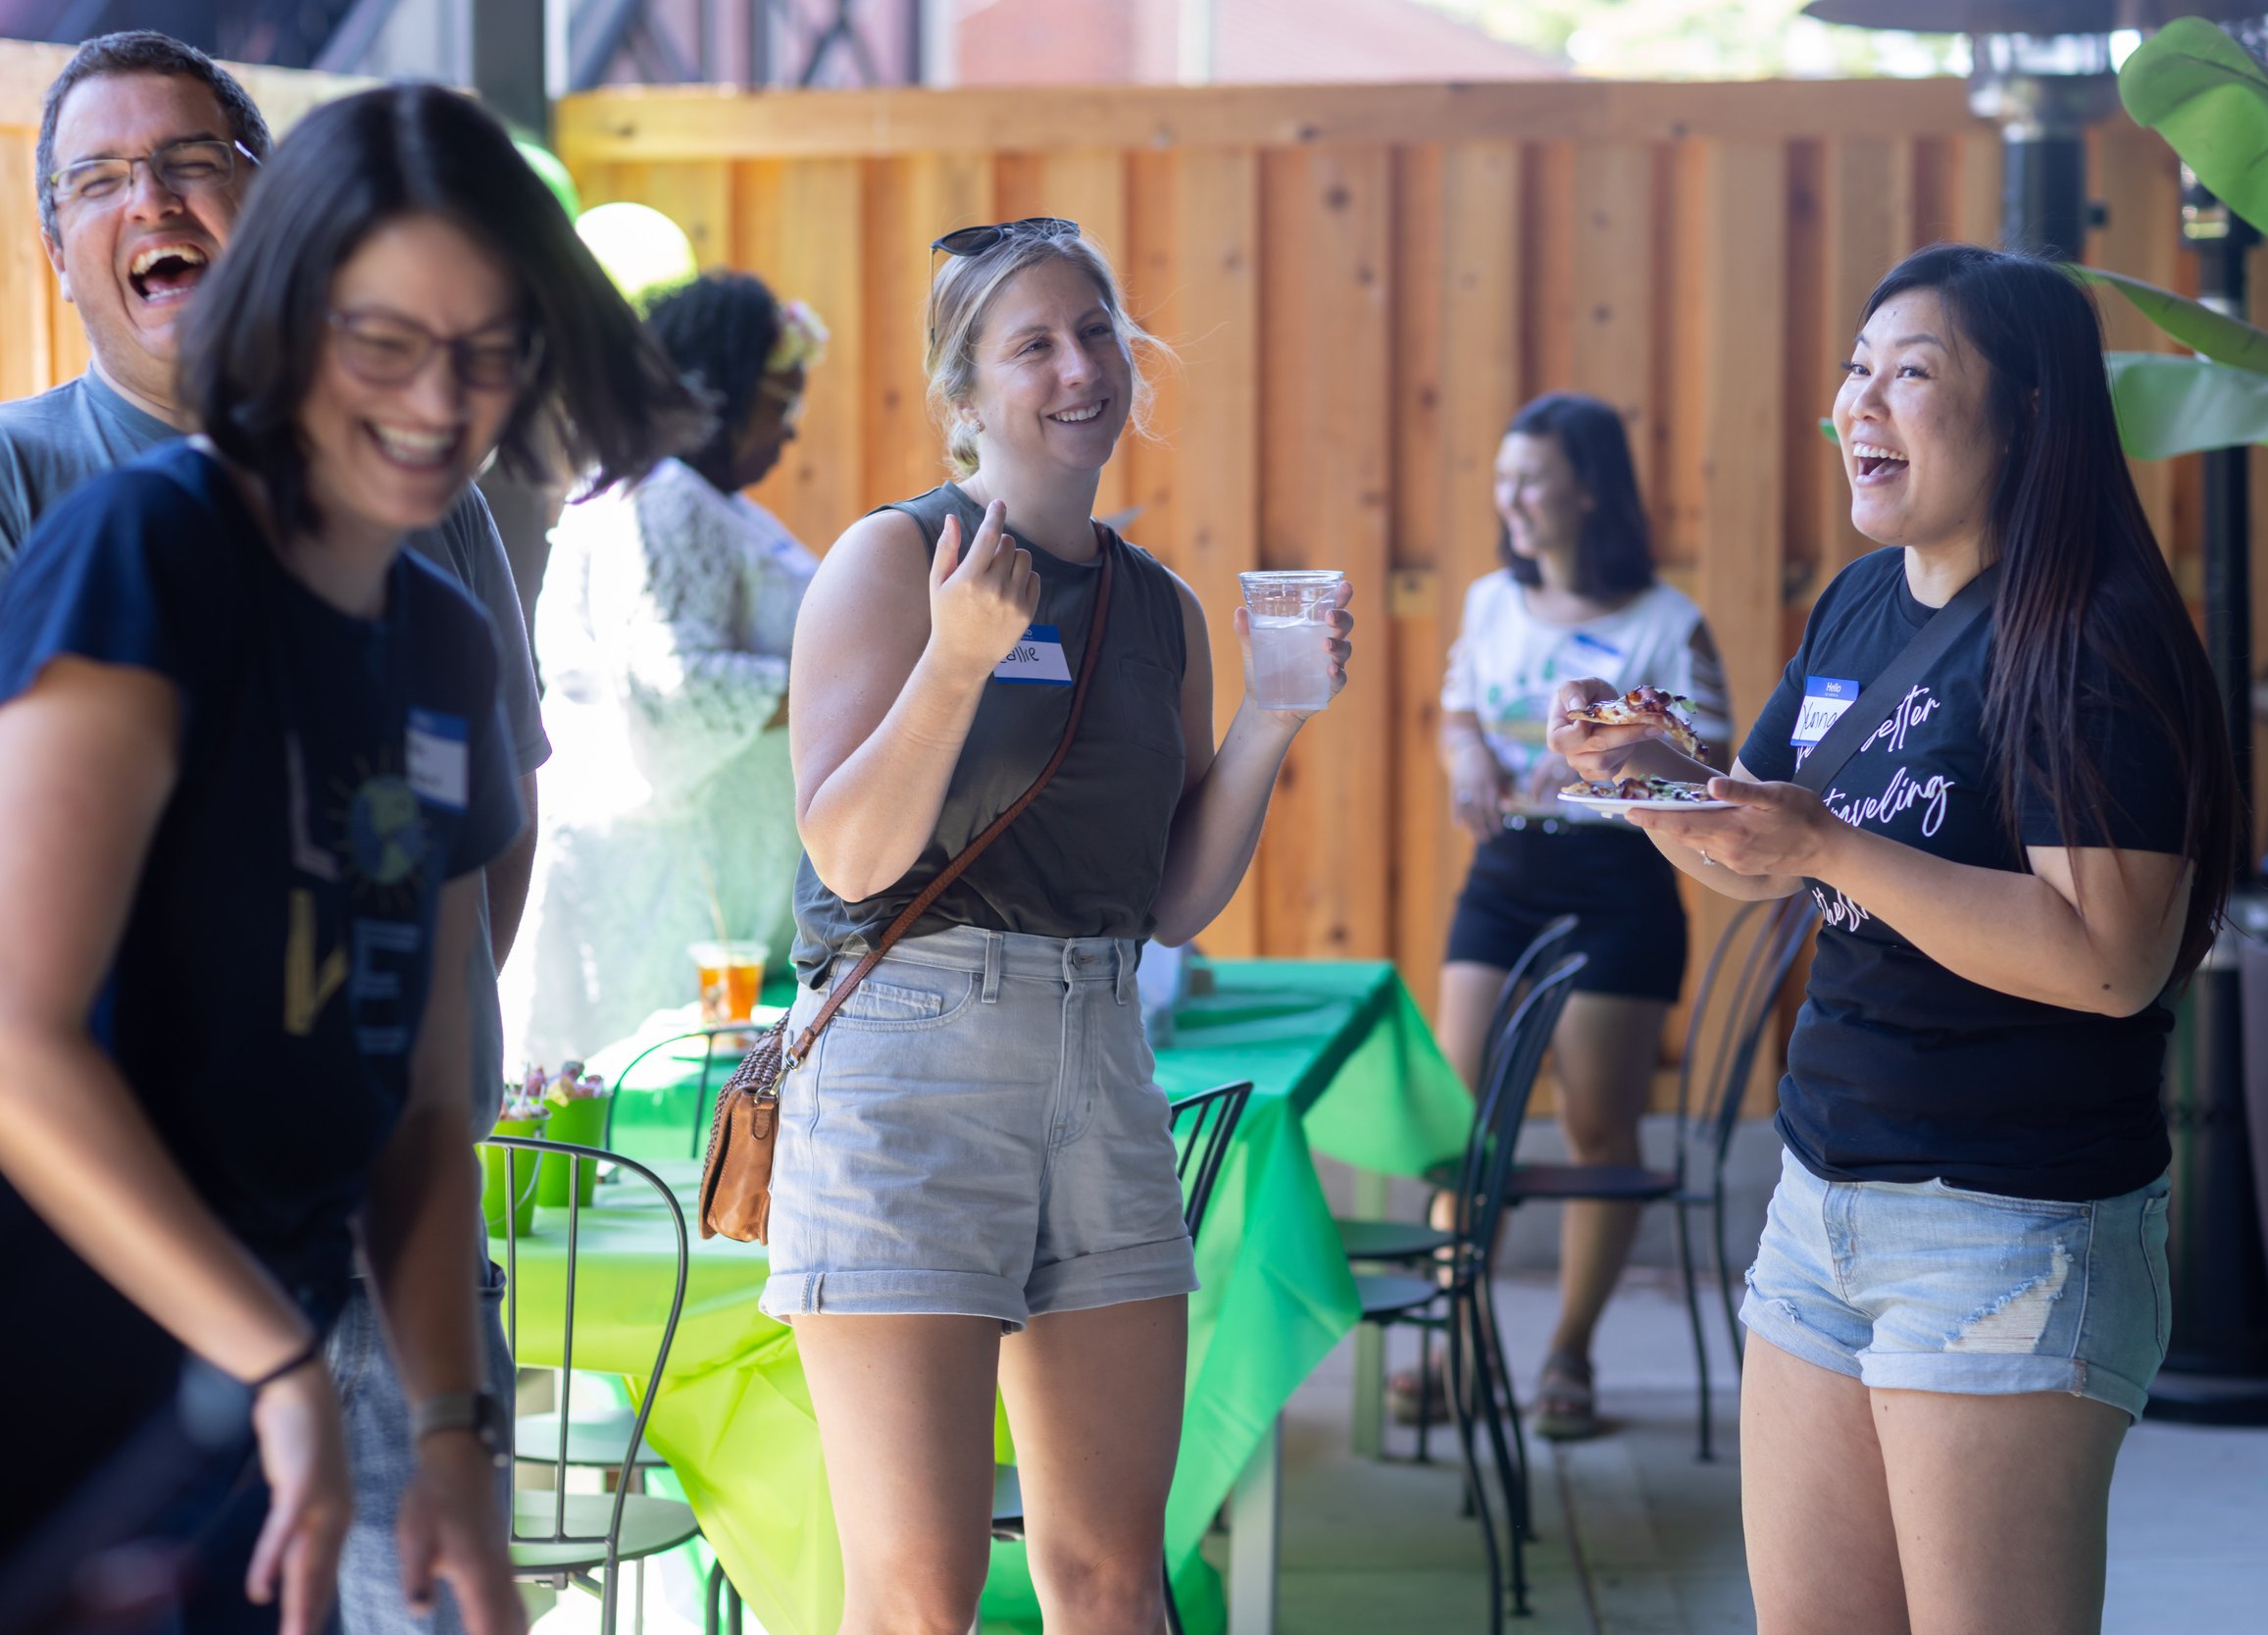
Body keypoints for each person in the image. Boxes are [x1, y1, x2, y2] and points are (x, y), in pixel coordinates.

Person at [0, 80, 698, 1635]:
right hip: (86, 1362)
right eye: (386, 342)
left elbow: (428, 1093)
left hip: (309, 1340)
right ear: (291, 316)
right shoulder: (146, 554)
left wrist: (446, 1426)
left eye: (488, 350)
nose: (438, 403)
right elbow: (16, 1041)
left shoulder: (443, 638)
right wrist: (274, 1357)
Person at [1552, 243, 2234, 1635]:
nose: (1863, 402)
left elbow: (2110, 960)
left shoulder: (2089, 635)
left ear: (2030, 416)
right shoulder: (1864, 601)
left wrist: (1822, 843)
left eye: (1912, 372)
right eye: (1856, 371)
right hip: (1821, 1200)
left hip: (2012, 1224)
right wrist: (1656, 785)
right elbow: (1769, 851)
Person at [778, 217, 1353, 1635]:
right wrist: (959, 659)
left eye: (1096, 331)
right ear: (964, 390)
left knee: (1110, 1575)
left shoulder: (1154, 606)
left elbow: (1166, 900)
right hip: (908, 1059)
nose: (1078, 366)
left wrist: (1273, 722)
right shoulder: (888, 557)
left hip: (1099, 1055)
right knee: (920, 1590)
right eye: (1031, 342)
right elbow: (849, 848)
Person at [1426, 390, 1728, 1441]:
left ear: (1587, 490)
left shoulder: (1665, 622)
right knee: (1452, 1119)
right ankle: (1448, 1333)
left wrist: (1626, 751)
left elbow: (1715, 762)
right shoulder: (1485, 602)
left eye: (1531, 477)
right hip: (1504, 874)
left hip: (1618, 881)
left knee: (1598, 1125)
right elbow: (1460, 705)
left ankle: (1569, 1352)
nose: (1507, 498)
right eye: (1502, 477)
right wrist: (1464, 751)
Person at [502, 270, 829, 1065]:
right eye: (778, 401)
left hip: (700, 894)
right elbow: (671, 693)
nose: (789, 430)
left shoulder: (713, 503)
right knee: (640, 1145)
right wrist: (846, 693)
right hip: (651, 903)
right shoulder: (661, 500)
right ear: (719, 391)